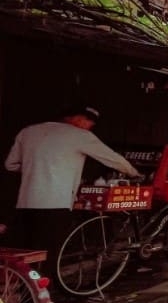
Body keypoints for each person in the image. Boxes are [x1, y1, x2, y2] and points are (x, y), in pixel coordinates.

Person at [3, 105, 142, 274]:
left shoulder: (28, 132)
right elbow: (112, 159)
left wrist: (36, 168)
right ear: (78, 118)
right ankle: (42, 288)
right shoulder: (80, 135)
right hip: (56, 204)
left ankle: (22, 286)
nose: (90, 127)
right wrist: (134, 173)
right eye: (90, 123)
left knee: (26, 252)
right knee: (49, 254)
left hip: (25, 203)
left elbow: (10, 165)